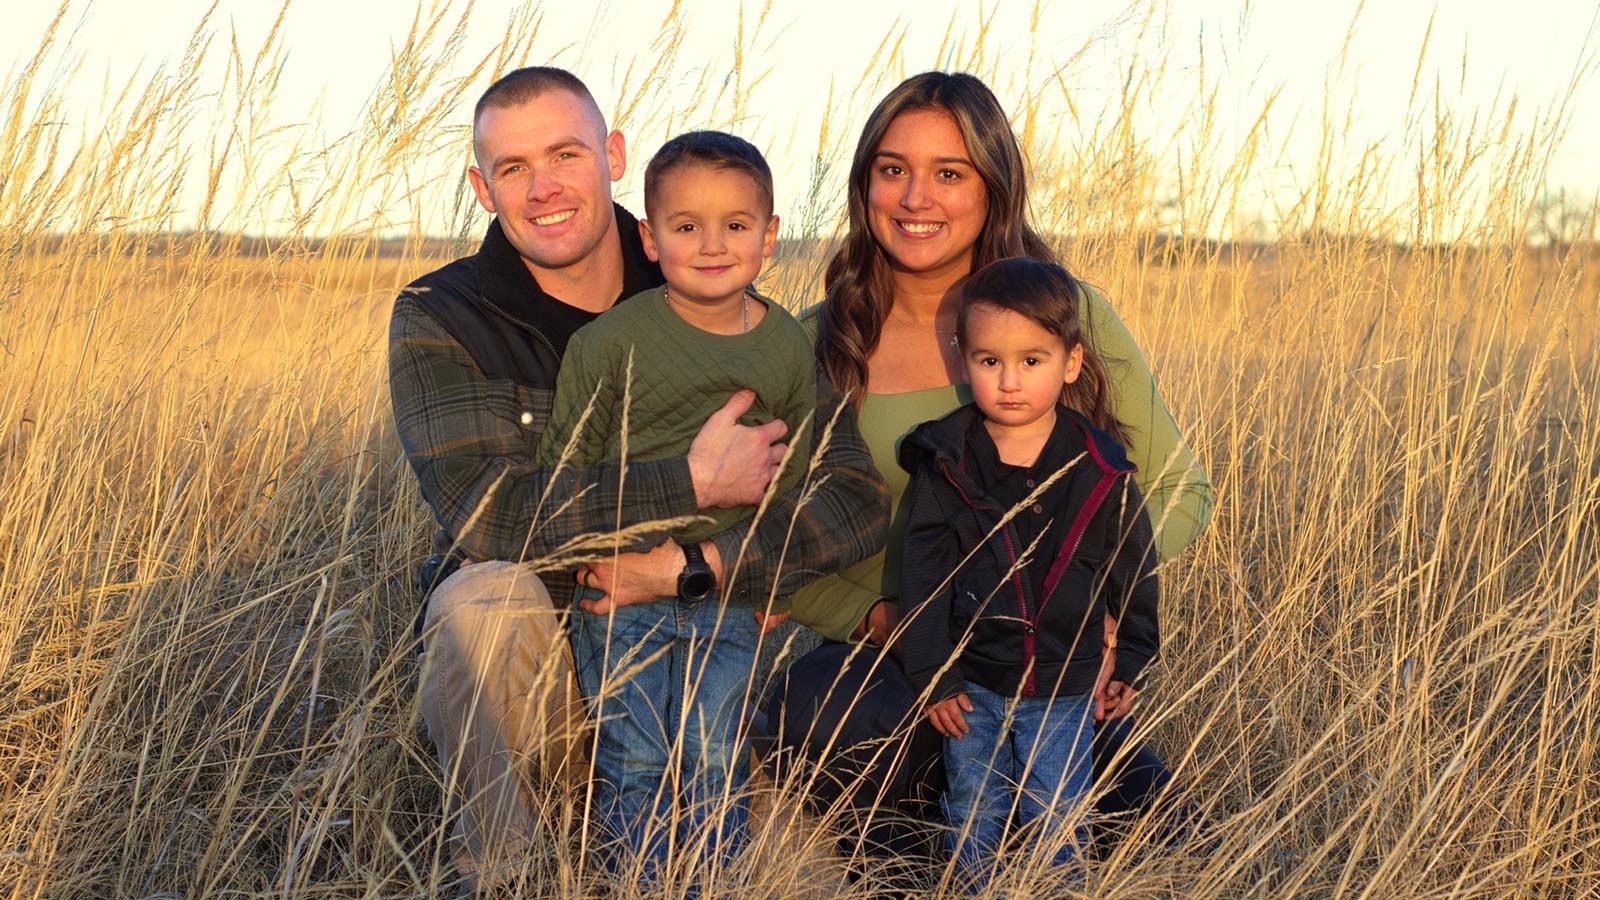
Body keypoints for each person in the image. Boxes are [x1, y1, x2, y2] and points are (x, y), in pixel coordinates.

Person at [386, 67, 889, 889]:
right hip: (545, 681)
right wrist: (691, 482)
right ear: (482, 188)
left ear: (612, 156)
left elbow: (850, 494)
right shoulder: (444, 316)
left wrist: (708, 566)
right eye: (513, 169)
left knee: (804, 882)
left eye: (565, 154)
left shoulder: (700, 269)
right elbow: (494, 514)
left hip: (697, 665)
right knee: (478, 601)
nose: (543, 187)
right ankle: (506, 869)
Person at [760, 70, 1213, 872]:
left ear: (993, 185)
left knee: (1167, 844)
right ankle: (907, 873)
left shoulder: (1065, 313)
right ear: (864, 184)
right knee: (826, 707)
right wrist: (878, 618)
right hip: (892, 668)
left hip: (1046, 665)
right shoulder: (809, 347)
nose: (915, 197)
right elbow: (772, 549)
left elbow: (1177, 489)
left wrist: (1102, 608)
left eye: (949, 172)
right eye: (892, 169)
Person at [534, 130, 811, 872]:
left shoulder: (787, 346)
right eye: (687, 227)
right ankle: (639, 883)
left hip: (730, 598)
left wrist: (775, 574)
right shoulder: (608, 344)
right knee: (636, 756)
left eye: (737, 225)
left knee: (716, 755)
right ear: (650, 239)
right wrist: (601, 561)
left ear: (770, 236)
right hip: (624, 600)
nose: (713, 244)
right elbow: (565, 474)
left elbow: (802, 474)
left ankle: (712, 884)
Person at [896, 257, 1160, 887]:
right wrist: (935, 672)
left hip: (1066, 683)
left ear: (1069, 362)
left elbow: (1135, 566)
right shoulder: (948, 462)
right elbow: (923, 575)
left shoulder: (1099, 468)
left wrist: (1129, 661)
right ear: (965, 361)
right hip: (974, 682)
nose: (1009, 381)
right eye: (990, 362)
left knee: (1059, 811)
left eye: (1032, 361)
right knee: (972, 807)